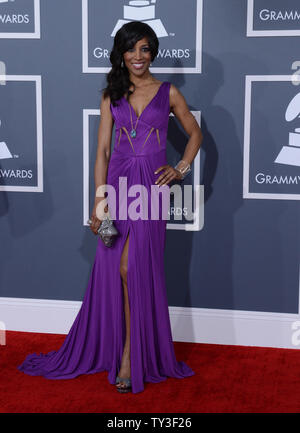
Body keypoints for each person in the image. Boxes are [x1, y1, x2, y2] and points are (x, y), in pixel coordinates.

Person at [18, 21, 203, 394]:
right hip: (117, 185)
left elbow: (195, 133)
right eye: (131, 49)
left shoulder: (168, 93)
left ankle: (131, 357)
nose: (138, 56)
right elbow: (103, 150)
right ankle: (118, 346)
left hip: (149, 188)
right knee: (114, 270)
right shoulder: (111, 95)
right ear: (121, 53)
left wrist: (181, 168)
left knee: (131, 267)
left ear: (153, 53)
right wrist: (100, 200)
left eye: (145, 49)